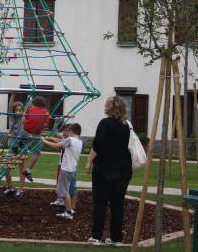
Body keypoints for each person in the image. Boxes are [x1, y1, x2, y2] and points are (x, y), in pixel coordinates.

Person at [85, 96, 132, 246]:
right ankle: (116, 238)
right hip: (123, 169)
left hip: (104, 168)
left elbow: (97, 144)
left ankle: (97, 236)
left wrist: (89, 161)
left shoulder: (105, 124)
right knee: (118, 204)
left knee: (100, 202)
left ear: (108, 108)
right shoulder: (125, 126)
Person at [41, 123, 82, 220]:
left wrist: (43, 141)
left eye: (69, 130)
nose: (67, 132)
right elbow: (61, 142)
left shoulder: (70, 140)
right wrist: (50, 138)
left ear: (72, 131)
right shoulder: (79, 141)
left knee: (64, 191)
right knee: (69, 190)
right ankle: (70, 210)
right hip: (73, 168)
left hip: (67, 168)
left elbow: (56, 145)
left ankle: (68, 212)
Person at [21, 96, 51, 184]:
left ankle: (23, 149)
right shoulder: (46, 112)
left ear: (34, 103)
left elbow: (23, 121)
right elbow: (45, 124)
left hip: (25, 131)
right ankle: (28, 169)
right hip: (35, 134)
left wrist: (25, 115)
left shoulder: (30, 109)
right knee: (37, 153)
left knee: (22, 149)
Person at [3, 95, 27, 198]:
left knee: (22, 168)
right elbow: (9, 106)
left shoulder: (24, 119)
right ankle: (10, 187)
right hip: (13, 146)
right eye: (16, 109)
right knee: (6, 166)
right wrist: (12, 95)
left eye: (20, 110)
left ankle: (21, 189)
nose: (18, 111)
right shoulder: (11, 117)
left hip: (22, 146)